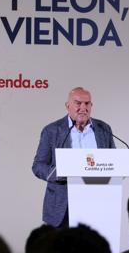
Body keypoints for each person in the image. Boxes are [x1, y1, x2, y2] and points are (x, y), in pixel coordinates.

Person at [32, 87, 115, 227]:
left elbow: (114, 162)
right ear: (67, 106)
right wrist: (57, 173)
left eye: (87, 103)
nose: (83, 108)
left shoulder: (103, 128)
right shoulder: (52, 130)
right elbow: (38, 166)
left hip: (98, 204)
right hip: (63, 207)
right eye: (78, 103)